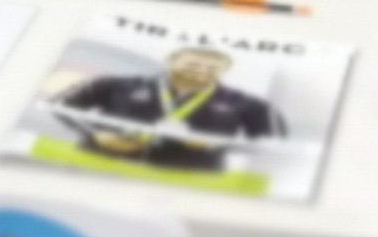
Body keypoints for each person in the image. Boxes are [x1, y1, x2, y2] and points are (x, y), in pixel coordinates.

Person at [56, 44, 286, 175]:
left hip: (190, 177)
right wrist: (96, 134)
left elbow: (273, 142)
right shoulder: (115, 84)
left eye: (214, 67)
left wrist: (216, 145)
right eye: (194, 63)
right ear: (171, 61)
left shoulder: (246, 103)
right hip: (103, 165)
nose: (203, 70)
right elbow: (60, 105)